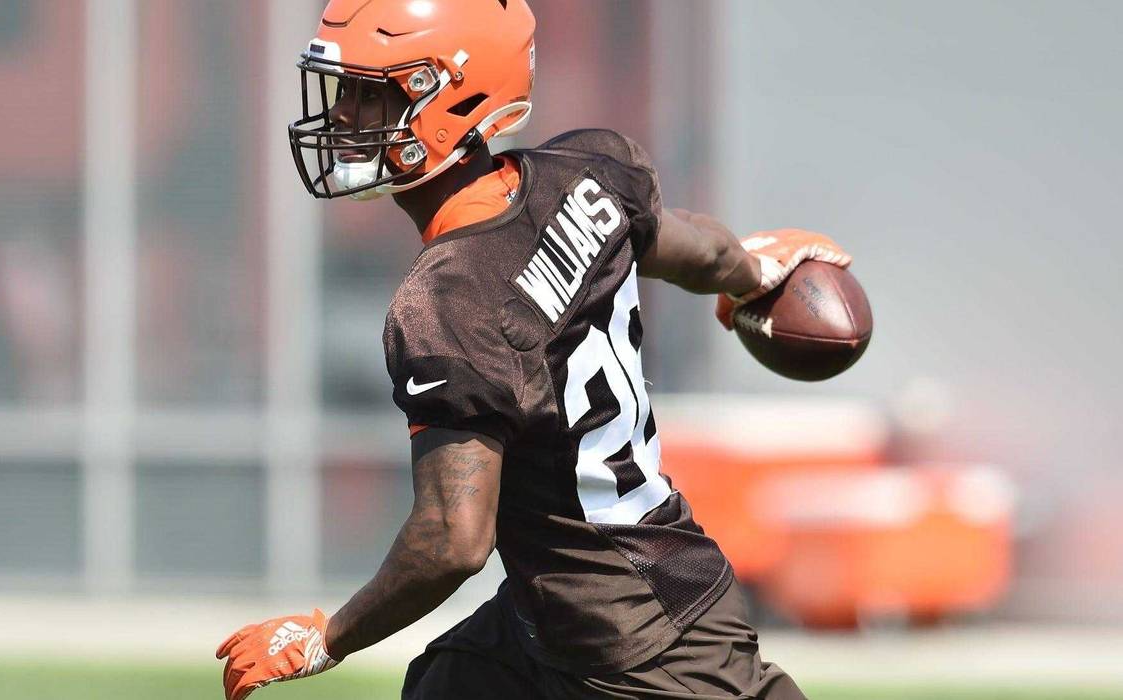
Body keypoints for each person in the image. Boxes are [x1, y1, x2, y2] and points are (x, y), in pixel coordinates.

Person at [216, 1, 850, 698]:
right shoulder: (588, 173)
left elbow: (453, 541)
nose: (341, 117)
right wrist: (756, 273)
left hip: (642, 637)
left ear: (454, 100)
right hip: (563, 603)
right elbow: (701, 252)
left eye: (370, 95)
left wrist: (326, 638)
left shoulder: (448, 301)